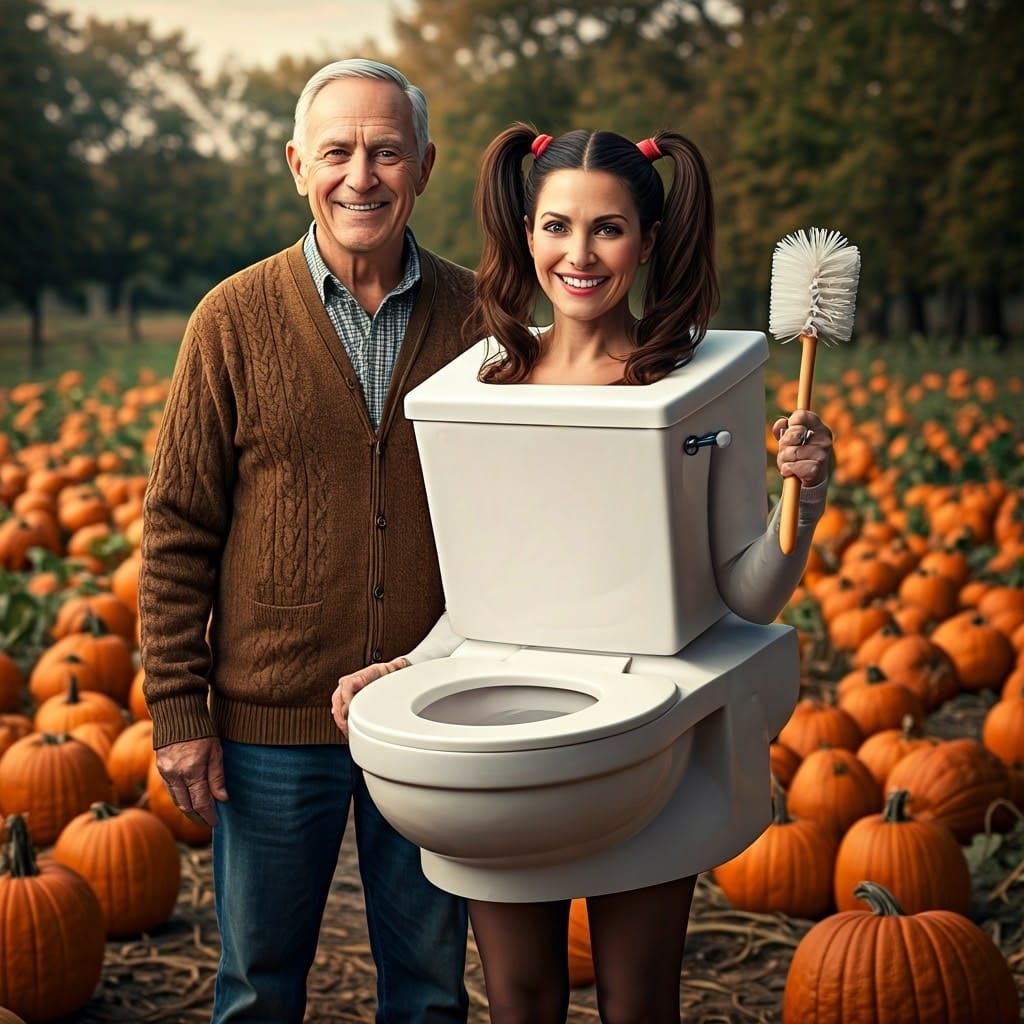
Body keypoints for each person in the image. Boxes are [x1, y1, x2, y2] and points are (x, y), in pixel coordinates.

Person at [332, 123, 833, 1024]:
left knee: (638, 1002)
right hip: (513, 702)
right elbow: (489, 596)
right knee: (520, 999)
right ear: (527, 233)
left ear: (645, 242)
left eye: (608, 229)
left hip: (647, 714)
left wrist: (804, 503)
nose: (580, 252)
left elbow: (749, 594)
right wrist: (409, 666)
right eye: (557, 226)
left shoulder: (685, 383)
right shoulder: (483, 380)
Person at [139, 59, 476, 1024]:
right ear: (297, 165)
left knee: (429, 992)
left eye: (385, 151)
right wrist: (178, 706)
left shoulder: (481, 321)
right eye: (337, 151)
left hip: (430, 711)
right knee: (257, 987)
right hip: (267, 722)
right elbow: (177, 529)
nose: (360, 175)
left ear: (424, 166)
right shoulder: (231, 321)